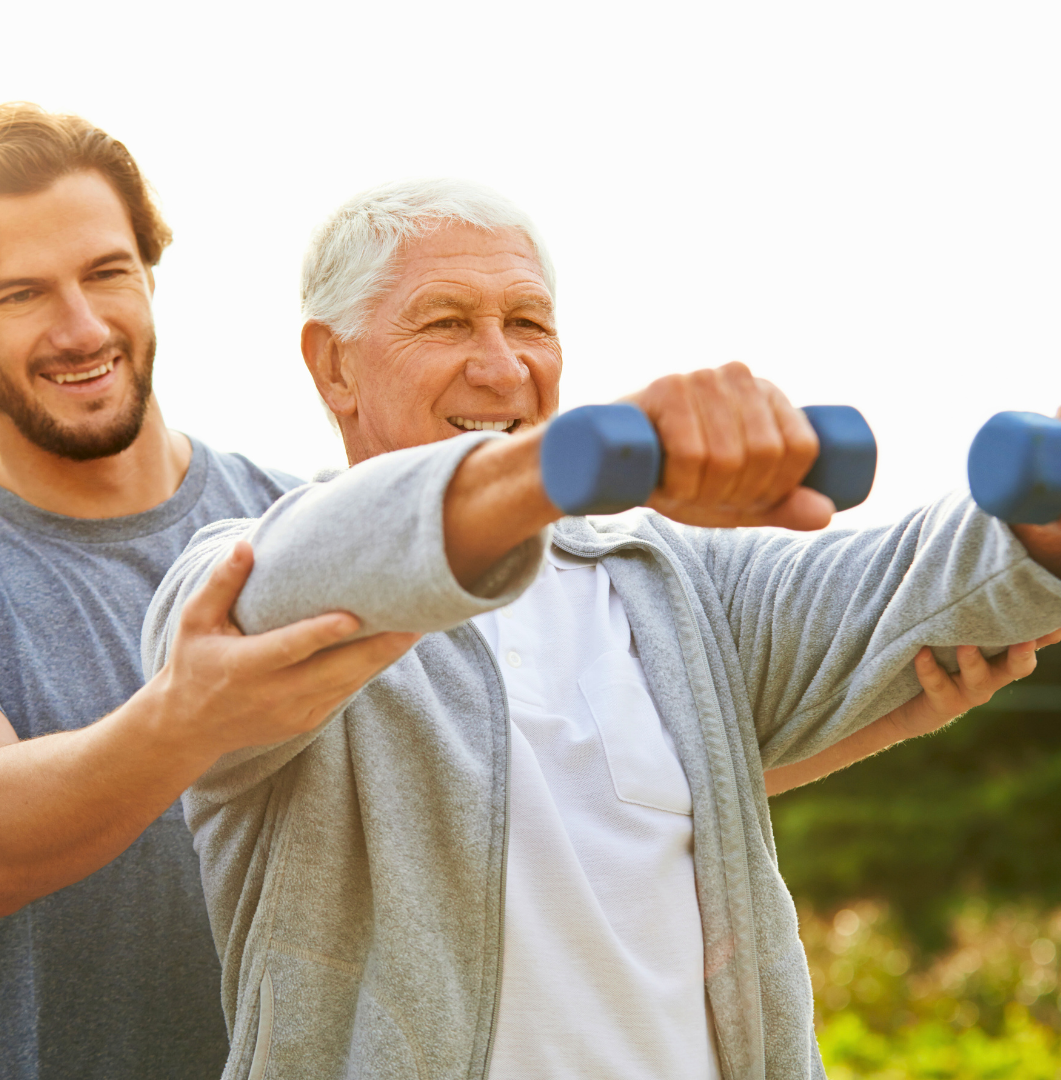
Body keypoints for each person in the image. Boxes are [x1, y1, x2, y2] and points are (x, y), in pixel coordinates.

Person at [144, 179, 1061, 1080]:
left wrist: (1036, 523)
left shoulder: (676, 579)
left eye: (529, 324)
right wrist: (562, 464)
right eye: (446, 322)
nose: (502, 367)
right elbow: (317, 567)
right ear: (332, 365)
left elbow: (921, 580)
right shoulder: (240, 578)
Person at [0, 104, 415, 1080]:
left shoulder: (302, 522)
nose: (82, 328)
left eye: (107, 273)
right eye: (21, 295)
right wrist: (193, 719)